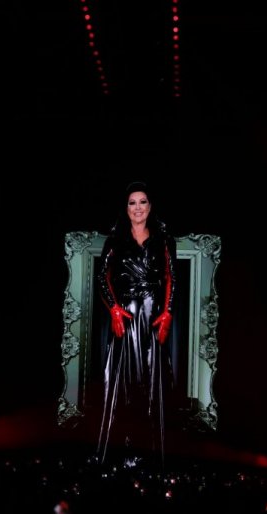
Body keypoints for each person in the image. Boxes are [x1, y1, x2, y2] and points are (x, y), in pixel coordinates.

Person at [95, 181, 177, 469]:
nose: (138, 207)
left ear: (150, 207)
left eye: (143, 202)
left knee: (153, 381)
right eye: (132, 202)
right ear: (126, 208)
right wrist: (114, 309)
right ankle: (121, 451)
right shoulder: (115, 239)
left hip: (153, 317)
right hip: (126, 318)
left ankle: (153, 453)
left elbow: (171, 277)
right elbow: (102, 277)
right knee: (123, 380)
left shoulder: (163, 239)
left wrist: (167, 312)